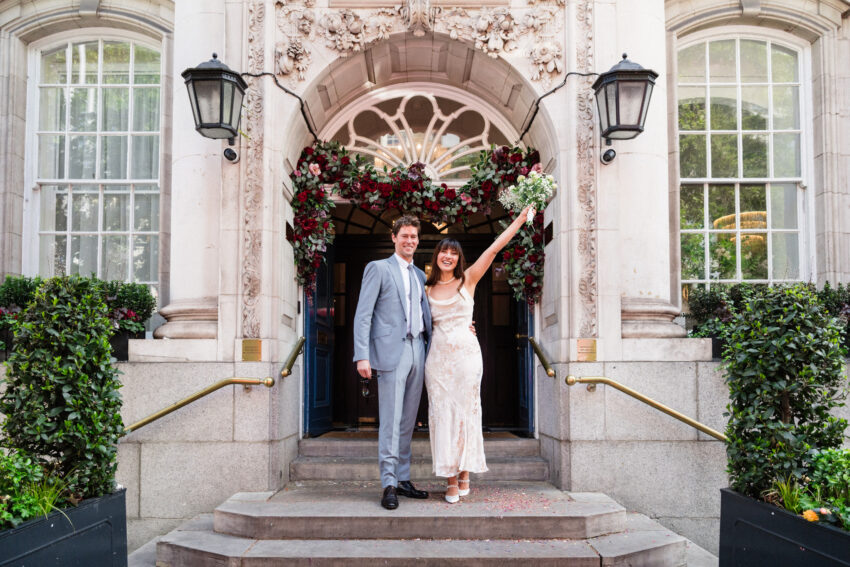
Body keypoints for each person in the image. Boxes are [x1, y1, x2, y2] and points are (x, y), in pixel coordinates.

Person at [424, 204, 534, 503]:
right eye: (444, 251)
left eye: (454, 253)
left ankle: (465, 471)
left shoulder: (468, 280)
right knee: (442, 415)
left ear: (459, 259)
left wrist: (521, 219)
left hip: (466, 357)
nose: (448, 256)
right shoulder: (425, 290)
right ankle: (450, 477)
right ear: (436, 256)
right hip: (437, 359)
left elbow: (494, 249)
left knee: (467, 413)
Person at [353, 215, 432, 510]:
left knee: (408, 420)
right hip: (389, 352)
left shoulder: (420, 276)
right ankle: (388, 483)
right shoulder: (379, 268)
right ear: (394, 237)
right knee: (390, 419)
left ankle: (403, 478)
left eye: (414, 236)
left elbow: (429, 315)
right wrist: (362, 354)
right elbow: (364, 314)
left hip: (418, 349)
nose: (409, 241)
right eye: (405, 236)